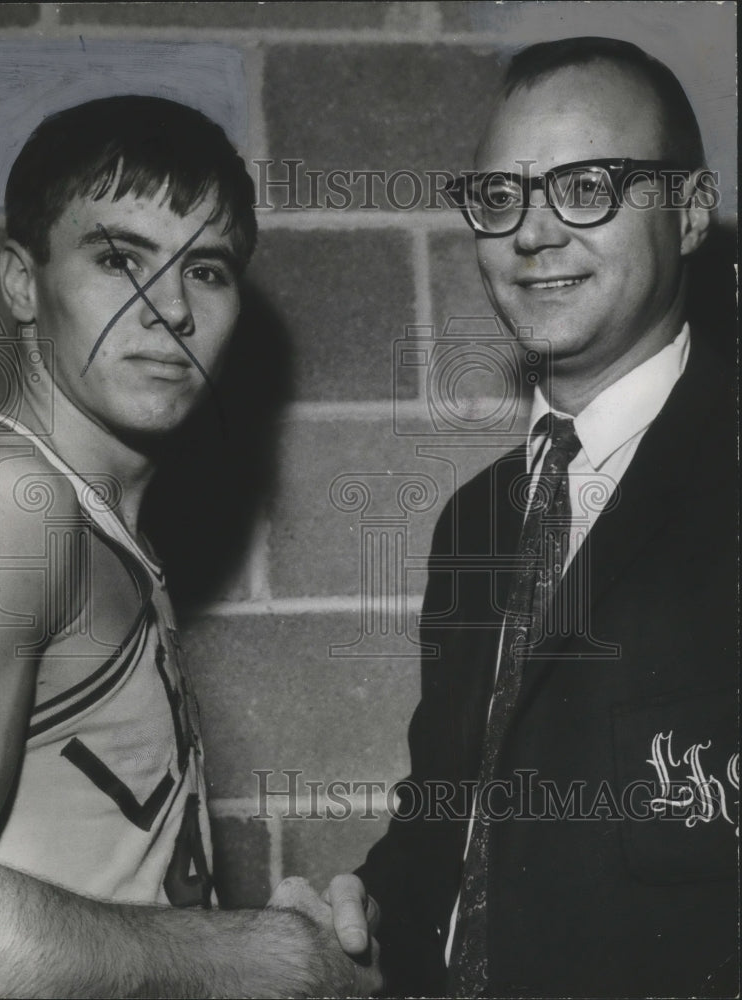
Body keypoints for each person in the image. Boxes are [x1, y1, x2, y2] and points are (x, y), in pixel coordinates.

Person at [0, 95, 381, 999]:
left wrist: (277, 934)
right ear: (19, 282)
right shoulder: (7, 499)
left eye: (206, 270)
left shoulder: (107, 529)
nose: (170, 311)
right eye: (119, 257)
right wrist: (273, 958)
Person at [357, 37, 738, 998]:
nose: (532, 233)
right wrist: (352, 912)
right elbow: (455, 811)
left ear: (691, 213)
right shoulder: (475, 519)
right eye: (501, 197)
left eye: (587, 186)